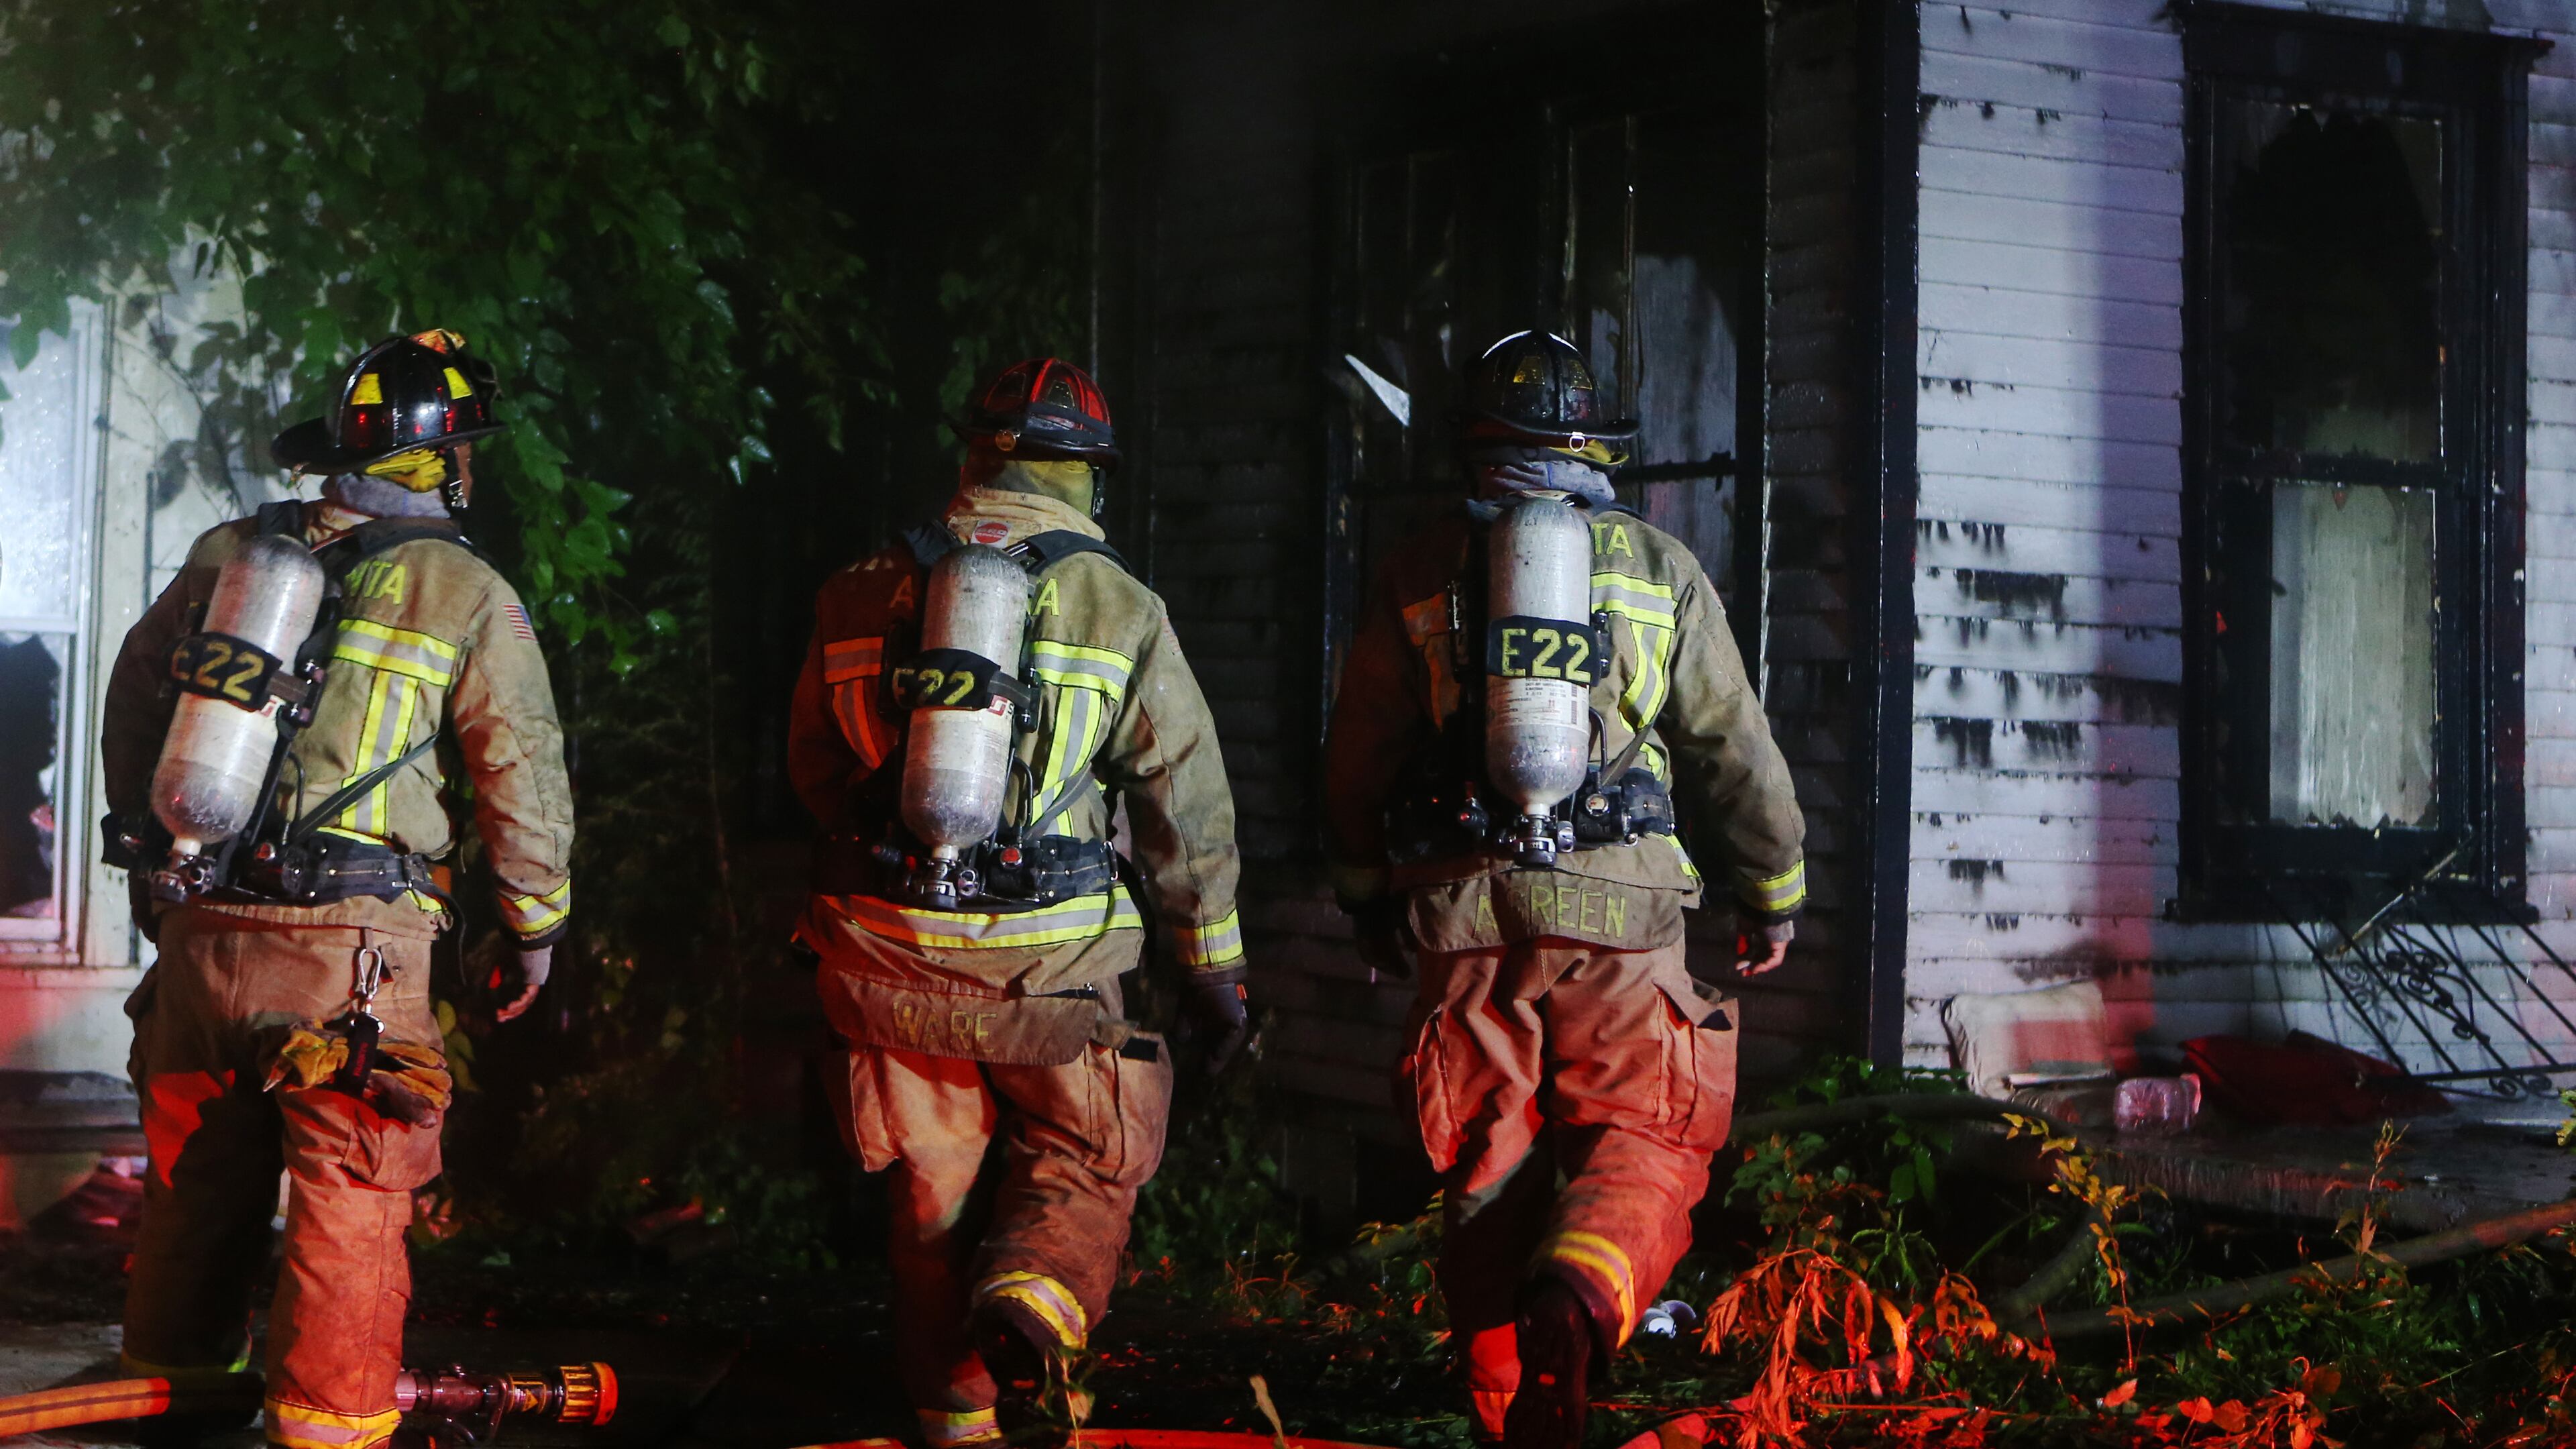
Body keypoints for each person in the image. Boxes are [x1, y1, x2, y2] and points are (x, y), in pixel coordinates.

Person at [1321, 331, 1807, 1449]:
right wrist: (1772, 892)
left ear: (1476, 447)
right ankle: (1577, 1306)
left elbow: (1358, 755)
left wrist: (1363, 894)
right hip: (1621, 910)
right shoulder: (1656, 568)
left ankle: (1504, 1415)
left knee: (1489, 1159)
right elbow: (1736, 753)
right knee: (1644, 1132)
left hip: (1462, 908)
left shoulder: (1416, 570)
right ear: (1591, 443)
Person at [100, 329, 574, 1449]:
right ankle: (328, 1428)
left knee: (192, 1199)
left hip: (202, 929)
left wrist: (154, 872)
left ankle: (168, 1406)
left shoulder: (229, 555)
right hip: (352, 961)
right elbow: (522, 769)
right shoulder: (462, 586)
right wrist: (533, 927)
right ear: (449, 463)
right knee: (350, 1203)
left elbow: (131, 704)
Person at [788, 358, 1249, 1448]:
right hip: (1051, 962)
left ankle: (956, 1419)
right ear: (1083, 474)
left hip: (889, 947)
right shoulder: (1119, 604)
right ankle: (1033, 1298)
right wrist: (1215, 971)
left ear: (974, 457)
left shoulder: (858, 585)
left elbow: (813, 770)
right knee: (1085, 1150)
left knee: (928, 1194)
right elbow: (1189, 804)